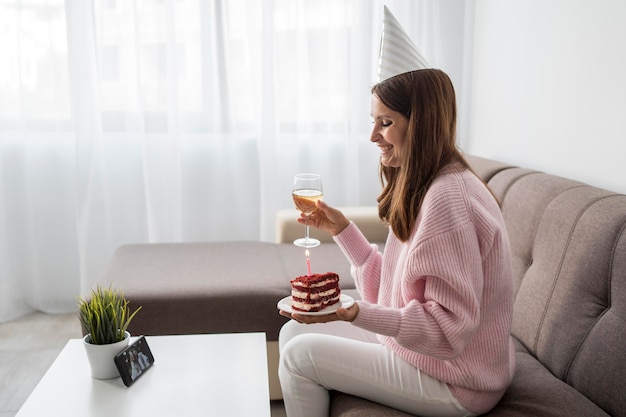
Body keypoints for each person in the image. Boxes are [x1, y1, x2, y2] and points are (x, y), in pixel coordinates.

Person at [277, 7, 515, 417]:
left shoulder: (447, 200)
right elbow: (394, 293)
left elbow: (447, 330)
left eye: (385, 123)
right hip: (426, 355)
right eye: (373, 121)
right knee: (292, 329)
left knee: (300, 356)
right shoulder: (426, 183)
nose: (373, 136)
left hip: (457, 378)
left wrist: (354, 313)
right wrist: (342, 229)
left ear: (419, 124)